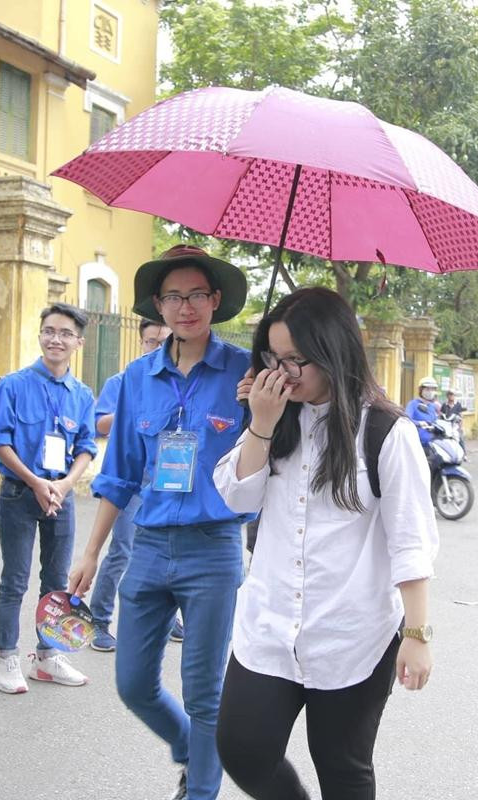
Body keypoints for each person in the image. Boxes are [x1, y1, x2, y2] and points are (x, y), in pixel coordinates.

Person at [213, 287, 437, 800]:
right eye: (273, 357)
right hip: (268, 627)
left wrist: (419, 633)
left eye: (296, 359)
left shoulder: (385, 431)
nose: (282, 371)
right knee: (242, 747)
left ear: (334, 351)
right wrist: (261, 424)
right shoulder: (274, 415)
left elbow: (411, 540)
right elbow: (235, 496)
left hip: (350, 634)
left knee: (342, 766)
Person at [67, 244, 250, 800]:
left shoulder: (246, 371)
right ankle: (193, 750)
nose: (185, 306)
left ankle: (200, 789)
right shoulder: (136, 378)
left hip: (214, 546)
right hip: (147, 545)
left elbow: (274, 457)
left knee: (205, 692)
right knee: (133, 685)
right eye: (173, 296)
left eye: (197, 294)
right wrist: (91, 552)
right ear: (159, 305)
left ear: (216, 301)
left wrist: (265, 411)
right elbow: (120, 472)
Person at [0, 302, 98, 694]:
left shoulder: (82, 394)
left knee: (55, 582)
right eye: (49, 330)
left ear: (78, 342)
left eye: (66, 333)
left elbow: (86, 446)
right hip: (19, 493)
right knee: (14, 579)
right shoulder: (12, 385)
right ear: (39, 335)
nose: (56, 339)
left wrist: (64, 485)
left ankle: (47, 657)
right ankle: (7, 659)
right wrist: (35, 482)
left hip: (60, 497)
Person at [89, 318, 172, 653]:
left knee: (167, 552)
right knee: (122, 549)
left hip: (167, 481)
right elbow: (99, 422)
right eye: (151, 341)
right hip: (132, 481)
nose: (157, 346)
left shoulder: (179, 382)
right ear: (141, 342)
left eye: (163, 340)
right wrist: (130, 410)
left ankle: (168, 616)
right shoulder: (125, 380)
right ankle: (99, 618)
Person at [405, 377, 441, 474]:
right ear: (421, 390)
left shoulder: (432, 406)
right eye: (427, 389)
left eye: (432, 389)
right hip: (418, 443)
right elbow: (406, 419)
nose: (430, 392)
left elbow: (436, 421)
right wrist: (419, 423)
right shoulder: (413, 404)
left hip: (432, 444)